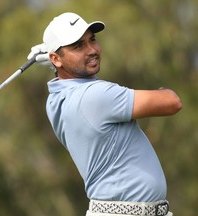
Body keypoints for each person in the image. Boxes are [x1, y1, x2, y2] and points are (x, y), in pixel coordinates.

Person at [27, 12, 182, 216]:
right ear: (55, 58)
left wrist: (57, 61)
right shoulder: (95, 96)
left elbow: (72, 81)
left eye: (92, 40)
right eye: (78, 46)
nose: (92, 50)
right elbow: (172, 102)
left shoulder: (55, 99)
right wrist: (164, 91)